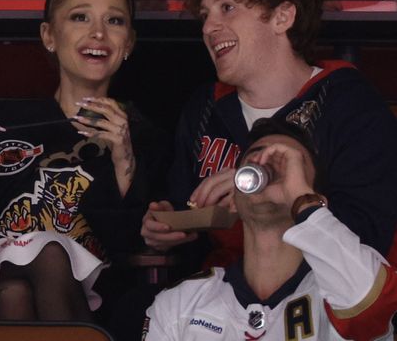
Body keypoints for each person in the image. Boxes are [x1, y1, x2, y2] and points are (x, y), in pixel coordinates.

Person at [141, 0, 397, 272]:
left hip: (319, 296)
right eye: (204, 15)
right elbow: (186, 209)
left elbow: (367, 234)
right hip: (222, 297)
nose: (207, 27)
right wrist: (167, 224)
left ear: (282, 17)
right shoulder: (204, 108)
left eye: (227, 7)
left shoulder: (349, 104)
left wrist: (260, 187)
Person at [0, 0, 168, 322]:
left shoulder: (146, 137)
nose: (98, 33)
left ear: (128, 42)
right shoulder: (2, 123)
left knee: (16, 292)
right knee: (29, 267)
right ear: (49, 35)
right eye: (80, 17)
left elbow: (134, 245)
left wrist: (123, 156)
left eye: (114, 21)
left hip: (93, 295)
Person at [143, 118, 397, 340]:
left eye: (289, 163)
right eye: (255, 156)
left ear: (315, 200)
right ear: (233, 199)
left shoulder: (344, 285)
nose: (266, 162)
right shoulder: (181, 303)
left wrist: (301, 200)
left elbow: (374, 306)